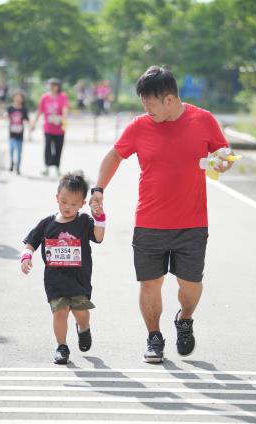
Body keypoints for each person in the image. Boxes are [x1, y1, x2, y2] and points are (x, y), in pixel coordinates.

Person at [90, 66, 233, 363]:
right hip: (149, 222)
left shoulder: (203, 120)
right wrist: (98, 188)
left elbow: (224, 153)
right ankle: (154, 337)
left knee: (190, 286)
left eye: (150, 104)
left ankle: (185, 319)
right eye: (143, 103)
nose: (146, 109)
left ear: (170, 99)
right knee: (150, 284)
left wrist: (223, 163)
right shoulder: (140, 126)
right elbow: (115, 155)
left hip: (192, 223)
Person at [21, 172, 106, 364]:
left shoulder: (84, 221)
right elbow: (30, 243)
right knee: (60, 312)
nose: (68, 207)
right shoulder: (46, 224)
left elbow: (98, 237)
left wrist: (99, 217)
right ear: (57, 197)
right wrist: (26, 257)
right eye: (64, 202)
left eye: (74, 204)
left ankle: (83, 328)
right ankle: (61, 346)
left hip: (79, 279)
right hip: (55, 280)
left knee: (80, 313)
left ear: (83, 204)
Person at [31, 78, 69, 177]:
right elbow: (40, 111)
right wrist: (34, 123)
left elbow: (65, 109)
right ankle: (47, 167)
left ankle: (57, 167)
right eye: (50, 85)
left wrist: (63, 120)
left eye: (54, 85)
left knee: (58, 148)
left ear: (58, 87)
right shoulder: (45, 97)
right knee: (48, 147)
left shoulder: (62, 97)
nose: (52, 87)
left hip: (59, 128)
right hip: (48, 128)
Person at [7, 90, 29, 175]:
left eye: (20, 97)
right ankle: (12, 163)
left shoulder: (24, 109)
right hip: (11, 133)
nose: (18, 98)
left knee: (19, 152)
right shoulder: (10, 108)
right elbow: (6, 117)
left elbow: (27, 119)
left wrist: (31, 126)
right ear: (13, 97)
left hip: (20, 134)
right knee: (11, 150)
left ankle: (18, 168)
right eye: (17, 96)